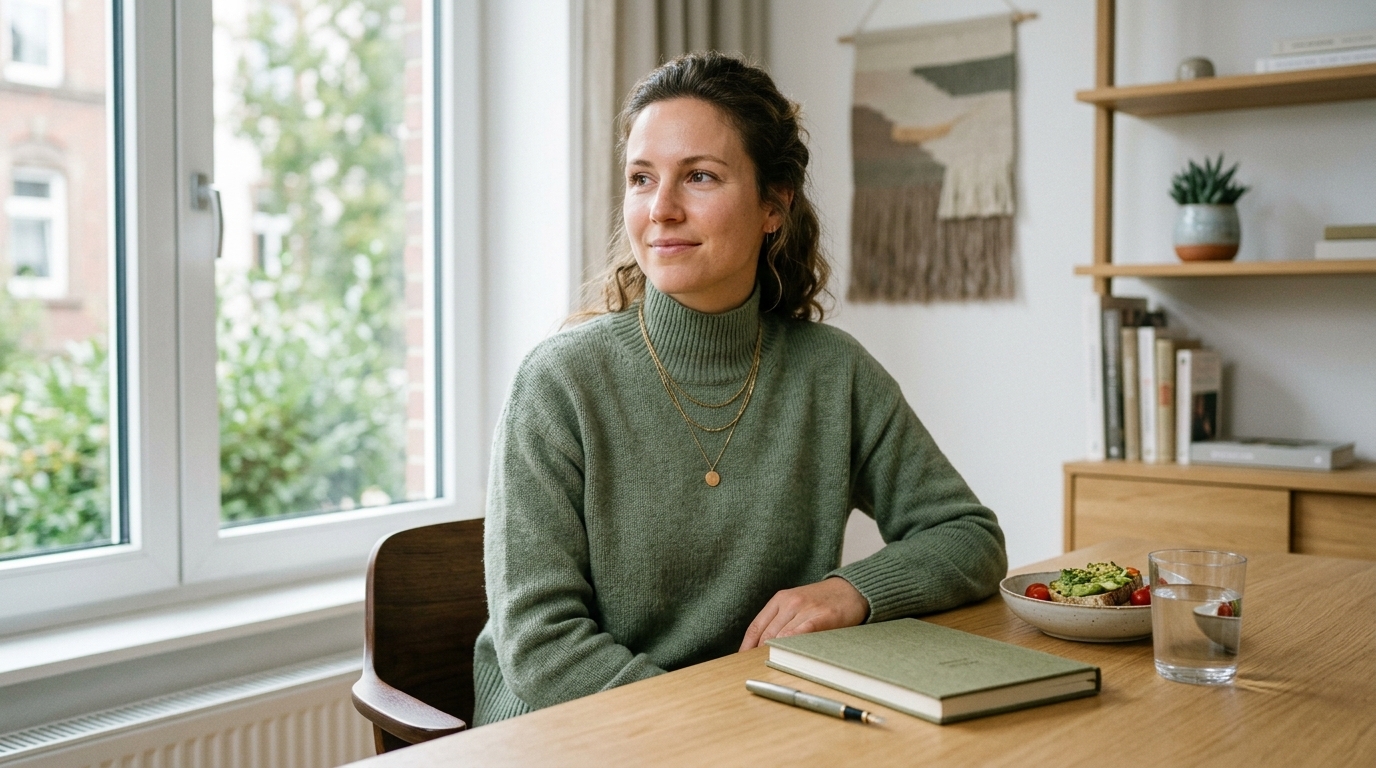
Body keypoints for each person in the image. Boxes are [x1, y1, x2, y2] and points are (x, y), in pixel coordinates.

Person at [471, 52, 1007, 726]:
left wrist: (850, 591)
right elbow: (541, 646)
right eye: (641, 178)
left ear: (773, 206)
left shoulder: (833, 372)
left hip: (751, 715)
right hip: (573, 725)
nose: (661, 209)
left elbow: (968, 536)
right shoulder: (559, 381)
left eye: (699, 176)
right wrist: (710, 723)